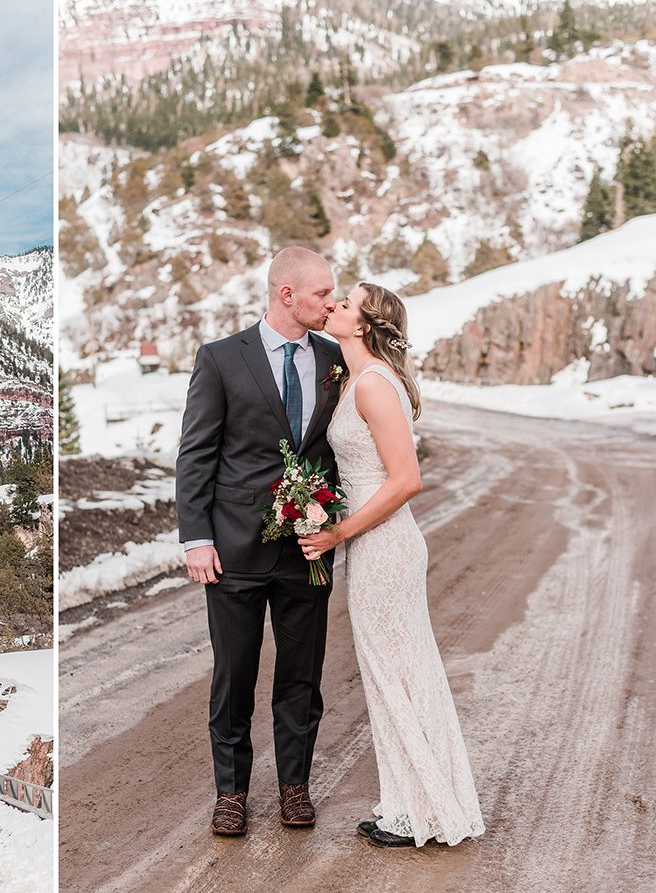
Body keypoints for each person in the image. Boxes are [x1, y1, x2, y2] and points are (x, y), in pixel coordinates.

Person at [299, 281, 485, 847]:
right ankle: (411, 803)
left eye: (345, 304)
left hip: (383, 544)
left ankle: (419, 811)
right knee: (397, 673)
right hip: (375, 543)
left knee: (393, 673)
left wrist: (338, 532)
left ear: (361, 326)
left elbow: (407, 479)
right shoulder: (359, 376)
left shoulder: (375, 385)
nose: (332, 306)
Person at [176, 245, 343, 836]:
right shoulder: (221, 359)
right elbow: (196, 453)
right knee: (234, 676)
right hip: (234, 549)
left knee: (302, 676)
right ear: (286, 294)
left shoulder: (335, 359)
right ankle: (232, 792)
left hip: (307, 548)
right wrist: (196, 538)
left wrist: (333, 519)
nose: (332, 301)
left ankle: (294, 787)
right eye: (323, 292)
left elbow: (337, 448)